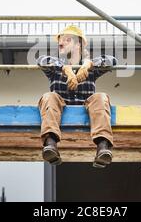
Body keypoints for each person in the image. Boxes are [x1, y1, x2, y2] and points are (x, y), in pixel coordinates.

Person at [36, 25, 117, 168]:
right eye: (60, 40)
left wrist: (88, 64)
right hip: (59, 109)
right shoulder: (56, 68)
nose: (61, 43)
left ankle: (103, 147)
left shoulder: (90, 69)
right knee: (49, 97)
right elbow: (41, 60)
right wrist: (65, 68)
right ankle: (50, 145)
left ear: (78, 44)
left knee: (101, 97)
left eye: (67, 40)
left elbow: (112, 61)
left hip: (87, 108)